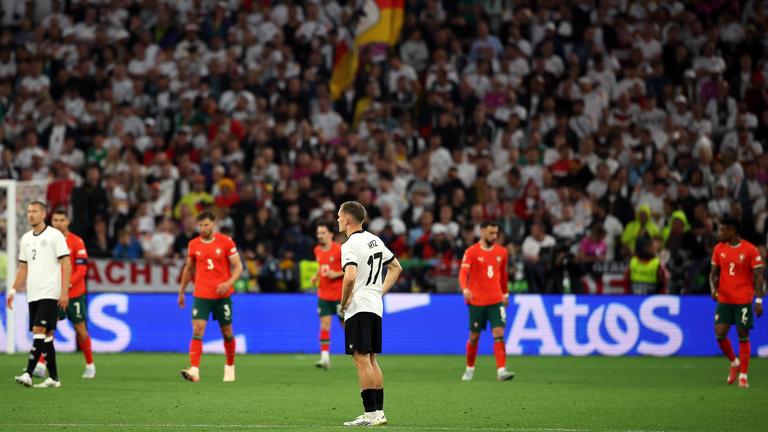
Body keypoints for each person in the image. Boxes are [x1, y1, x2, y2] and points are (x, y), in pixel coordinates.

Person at [337, 201, 402, 427]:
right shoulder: (375, 240)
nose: (337, 220)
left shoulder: (349, 245)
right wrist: (378, 291)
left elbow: (350, 277)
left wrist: (343, 302)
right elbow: (396, 267)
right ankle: (378, 414)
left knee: (361, 359)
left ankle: (371, 415)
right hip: (374, 305)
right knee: (372, 359)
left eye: (339, 216)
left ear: (347, 219)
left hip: (359, 306)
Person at [10, 201, 71, 388]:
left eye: (35, 211)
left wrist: (64, 292)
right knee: (47, 335)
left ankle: (28, 373)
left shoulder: (54, 236)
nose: (31, 214)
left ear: (43, 214)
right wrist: (13, 289)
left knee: (38, 331)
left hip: (50, 292)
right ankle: (54, 378)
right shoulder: (26, 238)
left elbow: (66, 263)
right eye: (29, 211)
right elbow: (23, 268)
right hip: (33, 293)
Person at [178, 211, 243, 382]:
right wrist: (181, 291)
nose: (203, 228)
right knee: (197, 330)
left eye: (206, 225)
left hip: (223, 295)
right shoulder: (193, 244)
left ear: (214, 224)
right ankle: (194, 370)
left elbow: (238, 266)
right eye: (200, 225)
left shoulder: (226, 242)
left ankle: (230, 366)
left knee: (227, 332)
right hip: (202, 295)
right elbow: (188, 268)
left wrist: (229, 283)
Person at [31, 208, 95, 379]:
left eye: (62, 220)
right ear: (51, 222)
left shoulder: (77, 241)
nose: (58, 223)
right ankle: (41, 365)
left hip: (74, 293)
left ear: (68, 222)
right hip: (53, 293)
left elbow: (82, 269)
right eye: (55, 220)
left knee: (80, 330)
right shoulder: (45, 241)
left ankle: (90, 365)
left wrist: (67, 284)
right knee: (48, 329)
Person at [710, 218, 764, 388]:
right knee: (719, 334)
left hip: (743, 301)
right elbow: (713, 274)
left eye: (722, 230)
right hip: (724, 300)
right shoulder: (719, 248)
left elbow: (758, 276)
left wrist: (759, 300)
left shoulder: (750, 250)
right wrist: (713, 289)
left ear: (732, 231)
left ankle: (744, 376)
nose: (720, 233)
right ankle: (734, 362)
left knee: (743, 335)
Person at [459, 220, 515, 382]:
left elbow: (503, 275)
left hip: (496, 300)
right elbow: (463, 273)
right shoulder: (471, 252)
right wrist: (465, 289)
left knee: (499, 332)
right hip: (477, 301)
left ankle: (501, 370)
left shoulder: (502, 252)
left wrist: (505, 293)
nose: (494, 236)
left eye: (496, 233)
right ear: (482, 232)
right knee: (474, 336)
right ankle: (470, 369)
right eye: (491, 233)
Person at [310, 221, 344, 370]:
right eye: (318, 233)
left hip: (339, 295)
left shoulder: (340, 250)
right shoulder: (317, 250)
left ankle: (358, 352)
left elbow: (352, 268)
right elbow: (322, 266)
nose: (320, 236)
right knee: (324, 325)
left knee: (346, 326)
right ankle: (324, 358)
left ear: (331, 234)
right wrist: (316, 276)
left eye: (323, 233)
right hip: (323, 294)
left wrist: (336, 274)